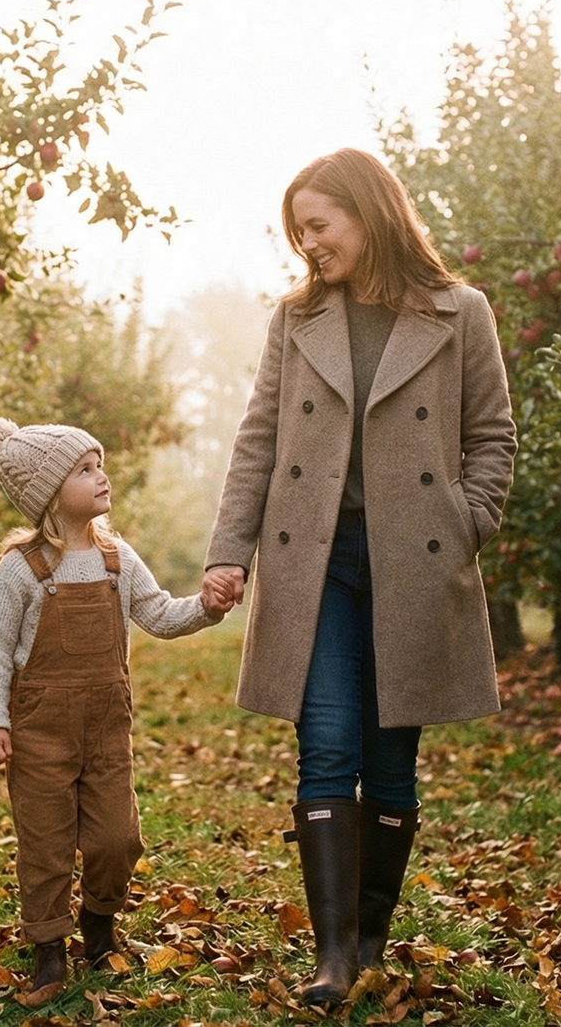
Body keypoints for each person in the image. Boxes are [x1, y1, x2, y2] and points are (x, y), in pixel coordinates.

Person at [201, 148, 517, 1004]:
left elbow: (492, 437)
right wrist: (230, 549)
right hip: (317, 560)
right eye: (298, 230)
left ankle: (371, 935)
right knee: (328, 742)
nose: (307, 246)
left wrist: (464, 523)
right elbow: (258, 440)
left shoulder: (462, 313)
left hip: (416, 560)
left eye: (318, 225)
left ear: (368, 213)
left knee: (390, 756)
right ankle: (334, 956)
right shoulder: (296, 319)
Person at [0, 417, 230, 998]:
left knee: (118, 838)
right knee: (45, 843)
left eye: (99, 464)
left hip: (107, 729)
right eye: (85, 470)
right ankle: (48, 950)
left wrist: (207, 609)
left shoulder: (118, 558)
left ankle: (99, 919)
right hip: (39, 730)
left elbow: (160, 614)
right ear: (49, 494)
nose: (102, 476)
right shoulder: (21, 569)